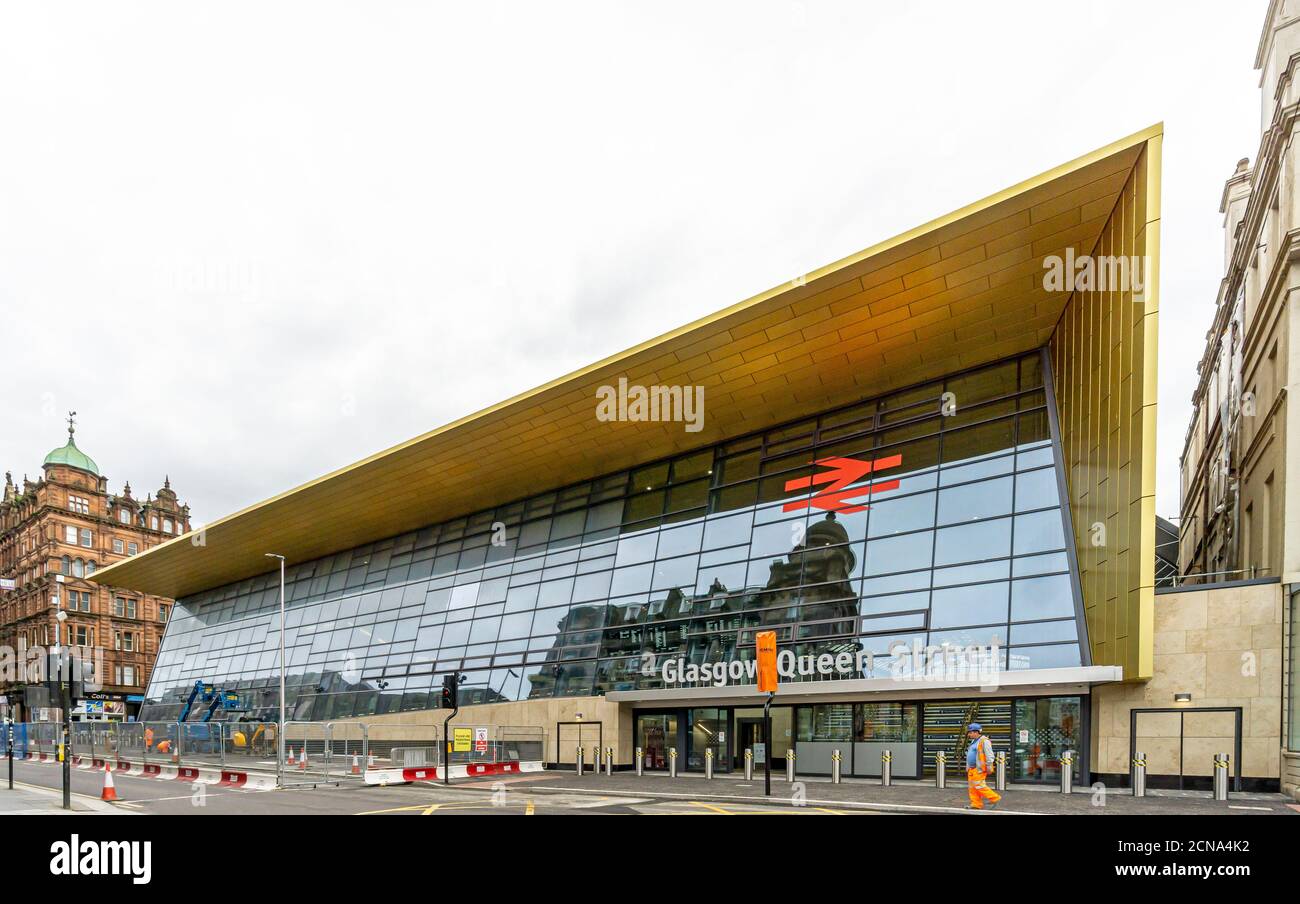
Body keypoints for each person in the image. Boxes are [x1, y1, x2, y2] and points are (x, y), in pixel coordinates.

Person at [965, 722, 1001, 810]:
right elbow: (971, 754)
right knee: (972, 788)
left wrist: (989, 766)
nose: (969, 734)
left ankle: (994, 798)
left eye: (970, 732)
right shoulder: (974, 741)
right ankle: (976, 804)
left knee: (979, 785)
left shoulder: (984, 741)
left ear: (976, 732)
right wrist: (968, 766)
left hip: (979, 768)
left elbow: (990, 755)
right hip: (972, 768)